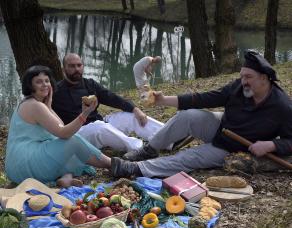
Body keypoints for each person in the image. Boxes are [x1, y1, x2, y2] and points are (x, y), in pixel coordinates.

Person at [111, 51, 292, 178]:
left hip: (232, 147)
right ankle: (149, 150)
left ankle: (135, 169)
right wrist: (164, 100)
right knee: (187, 116)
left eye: (248, 77)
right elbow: (205, 99)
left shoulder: (282, 106)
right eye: (242, 76)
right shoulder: (239, 87)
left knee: (188, 158)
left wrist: (271, 145)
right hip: (222, 127)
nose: (243, 81)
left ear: (264, 78)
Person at [5, 65, 112, 186]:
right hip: (26, 164)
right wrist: (85, 113)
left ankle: (65, 178)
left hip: (18, 165)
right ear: (30, 86)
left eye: (47, 80)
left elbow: (59, 126)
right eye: (39, 82)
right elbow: (65, 133)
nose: (45, 84)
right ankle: (113, 164)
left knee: (68, 151)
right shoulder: (35, 105)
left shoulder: (33, 103)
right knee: (74, 141)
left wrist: (49, 107)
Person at [52, 53, 165, 152]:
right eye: (72, 66)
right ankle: (140, 148)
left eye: (79, 65)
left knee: (130, 115)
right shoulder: (55, 91)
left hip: (99, 123)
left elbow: (112, 98)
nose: (76, 69)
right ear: (63, 69)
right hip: (77, 134)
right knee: (99, 127)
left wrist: (135, 109)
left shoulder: (89, 84)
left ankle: (168, 137)